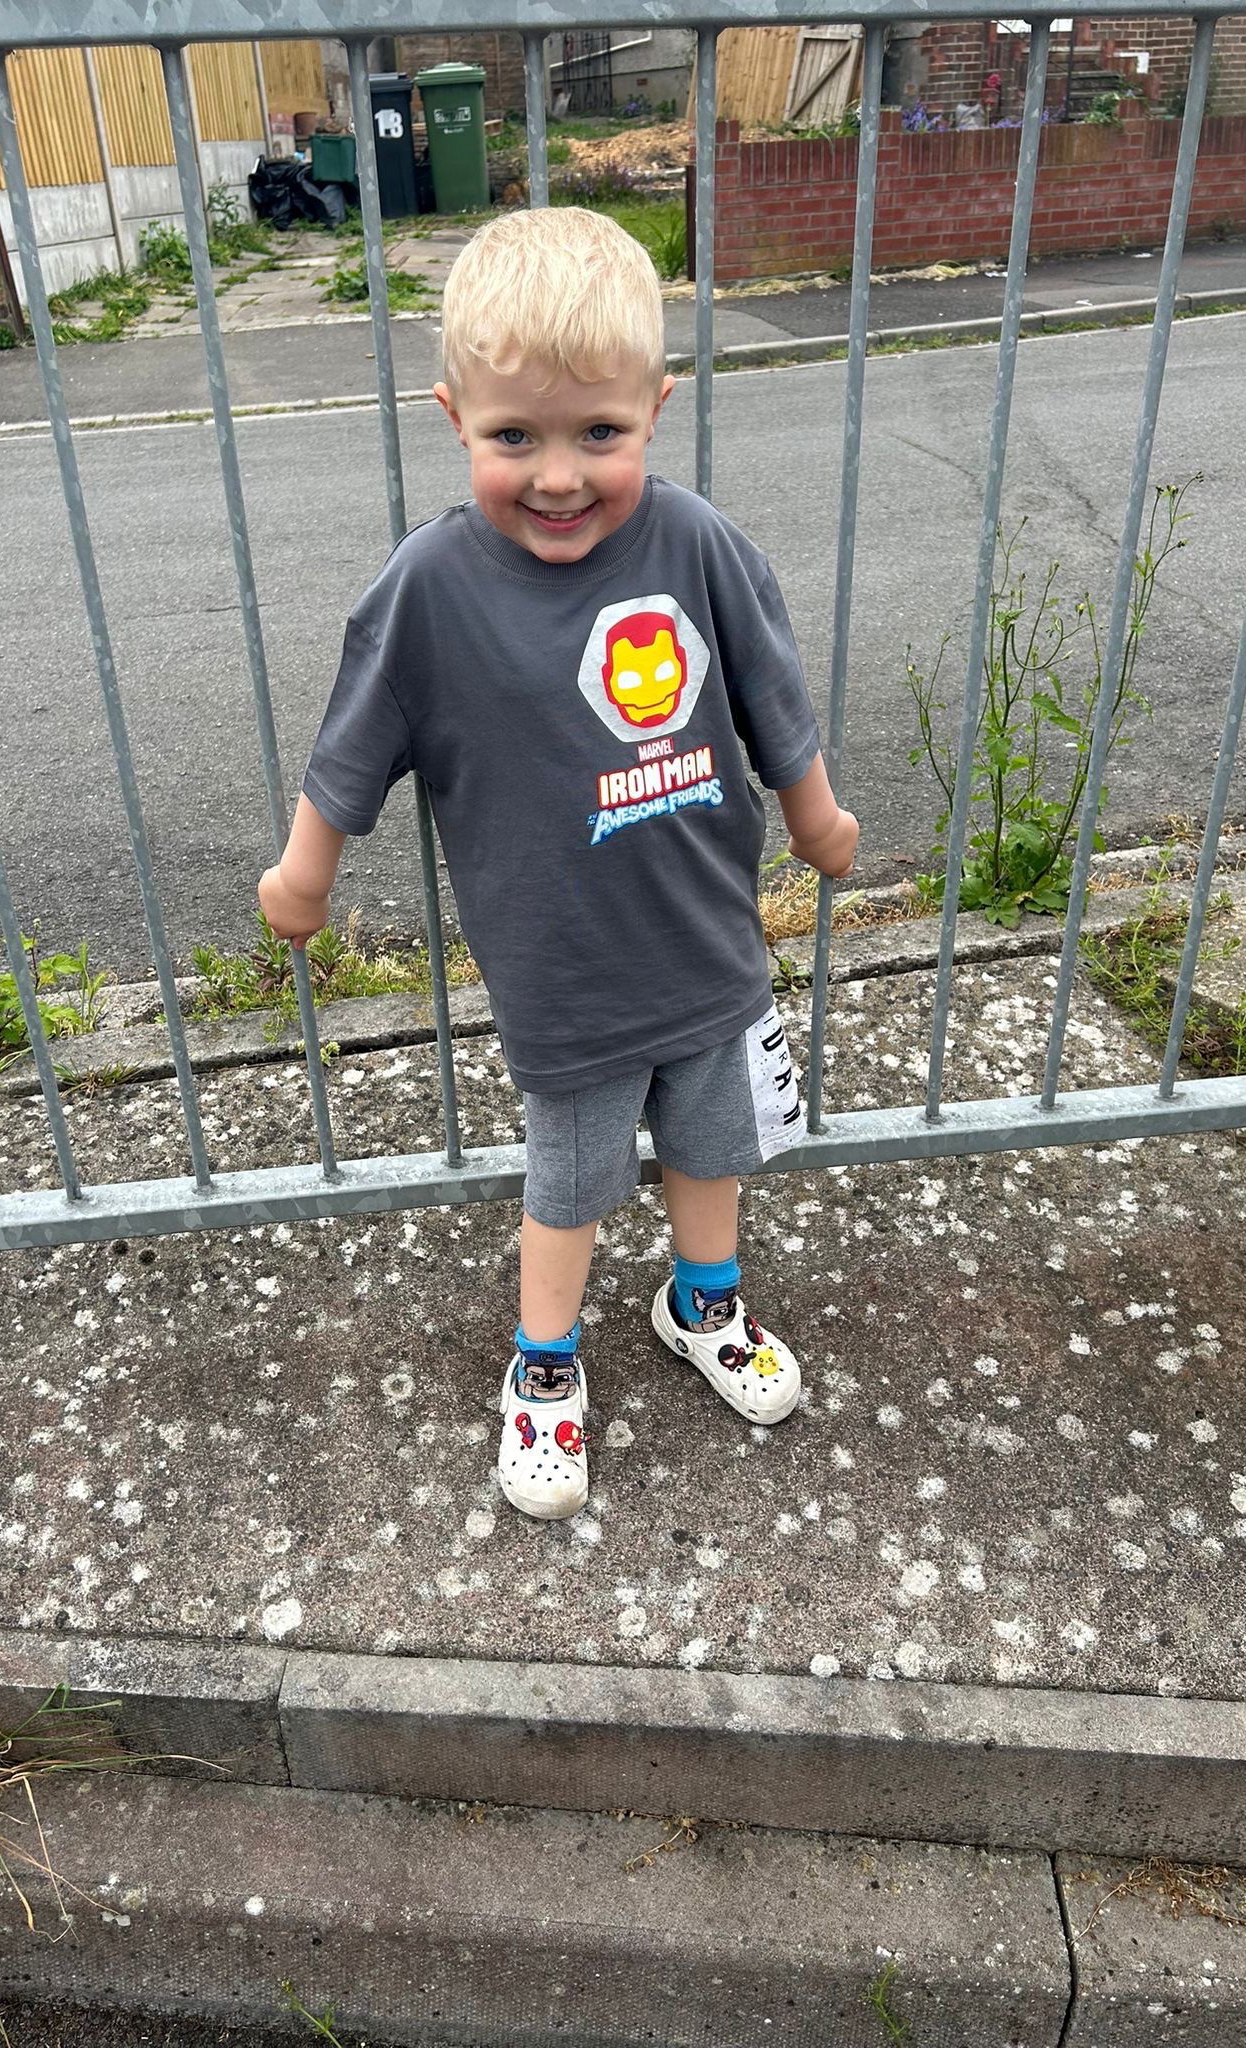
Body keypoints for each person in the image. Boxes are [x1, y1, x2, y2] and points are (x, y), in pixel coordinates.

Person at [258, 207, 858, 1522]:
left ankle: (705, 1305)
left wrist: (816, 818)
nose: (560, 476)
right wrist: (305, 871)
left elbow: (773, 695)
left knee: (713, 1149)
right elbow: (352, 741)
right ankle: (544, 1363)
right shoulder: (432, 586)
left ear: (657, 407)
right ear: (454, 418)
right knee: (571, 1183)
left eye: (599, 433)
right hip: (567, 976)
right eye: (514, 439)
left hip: (709, 942)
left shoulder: (698, 545)